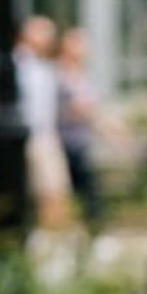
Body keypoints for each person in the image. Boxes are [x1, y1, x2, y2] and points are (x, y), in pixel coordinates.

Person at [13, 14, 71, 229]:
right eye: (44, 32)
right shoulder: (18, 65)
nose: (50, 37)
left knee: (54, 192)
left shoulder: (46, 67)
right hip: (26, 136)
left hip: (44, 135)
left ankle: (51, 240)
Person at [57, 27, 103, 231]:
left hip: (82, 141)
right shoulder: (59, 74)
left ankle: (90, 233)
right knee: (71, 192)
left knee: (88, 191)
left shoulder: (83, 74)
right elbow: (81, 108)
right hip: (64, 141)